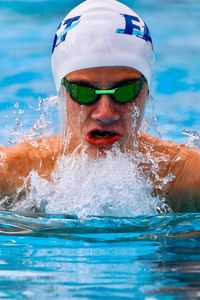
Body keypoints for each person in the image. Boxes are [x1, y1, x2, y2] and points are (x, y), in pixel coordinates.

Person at [0, 0, 200, 212]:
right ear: (61, 94)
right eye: (83, 92)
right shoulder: (11, 176)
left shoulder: (187, 180)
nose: (105, 113)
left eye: (125, 91)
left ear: (147, 92)